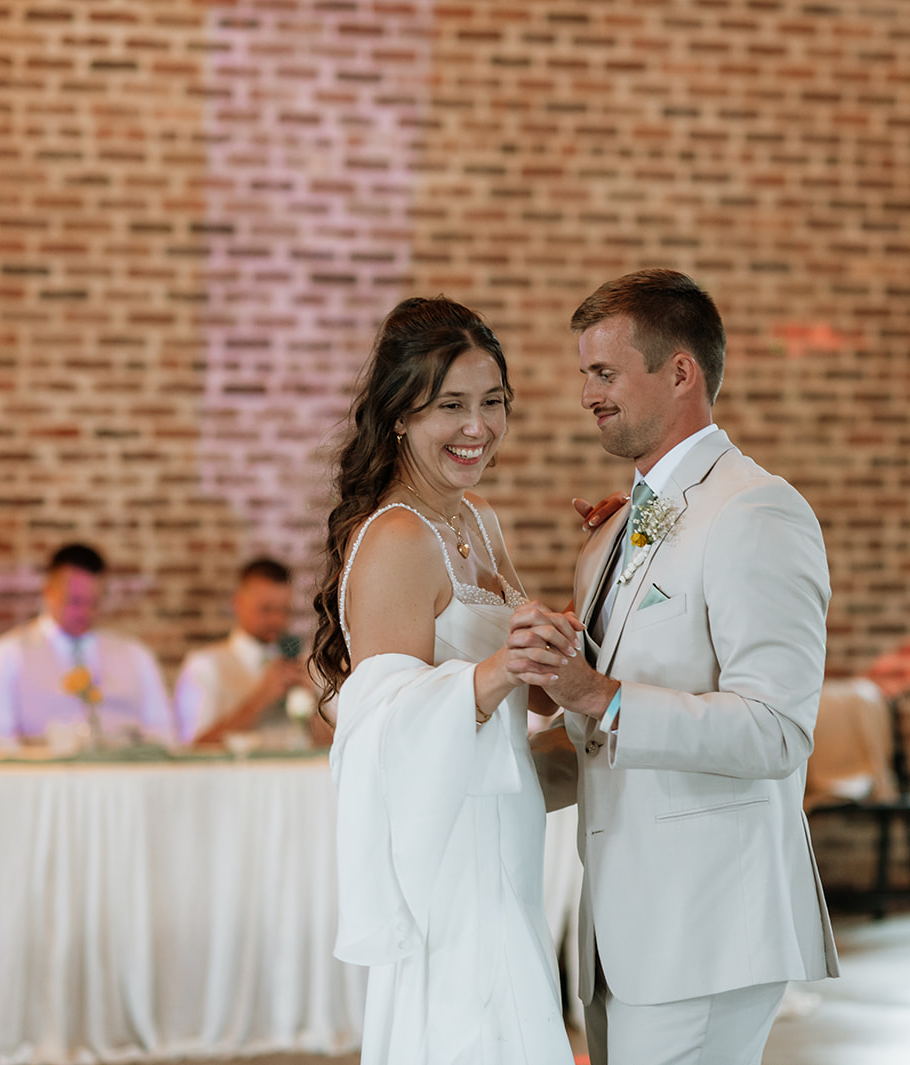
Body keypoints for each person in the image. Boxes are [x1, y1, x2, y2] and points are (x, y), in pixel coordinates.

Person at [510, 268, 838, 1065]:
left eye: (604, 372)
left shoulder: (755, 510)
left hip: (707, 924)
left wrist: (600, 693)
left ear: (681, 371)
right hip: (628, 922)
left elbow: (775, 730)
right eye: (584, 373)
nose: (587, 393)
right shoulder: (637, 515)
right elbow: (596, 729)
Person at [311, 297, 579, 1065]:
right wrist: (497, 668)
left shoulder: (478, 519)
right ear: (400, 414)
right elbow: (383, 732)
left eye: (493, 402)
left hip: (505, 837)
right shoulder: (398, 537)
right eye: (451, 406)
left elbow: (526, 680)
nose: (478, 428)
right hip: (450, 855)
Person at [0, 543, 174, 748]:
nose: (84, 612)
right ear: (48, 592)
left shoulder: (135, 655)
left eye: (94, 603)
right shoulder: (6, 654)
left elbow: (163, 733)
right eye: (75, 601)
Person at [173, 557, 313, 744]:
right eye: (266, 609)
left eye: (284, 610)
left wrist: (310, 702)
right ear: (237, 603)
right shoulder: (204, 665)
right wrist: (261, 699)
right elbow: (192, 748)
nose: (276, 620)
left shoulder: (307, 663)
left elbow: (339, 746)